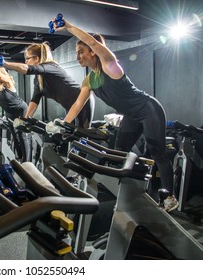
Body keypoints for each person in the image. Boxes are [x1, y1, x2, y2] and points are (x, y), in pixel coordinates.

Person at [54, 18, 178, 212]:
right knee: (119, 152)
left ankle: (170, 196)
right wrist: (63, 124)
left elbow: (94, 41)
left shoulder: (109, 65)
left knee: (157, 153)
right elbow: (78, 104)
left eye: (81, 52)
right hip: (131, 116)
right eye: (76, 53)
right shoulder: (90, 79)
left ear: (92, 52)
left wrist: (68, 27)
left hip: (148, 109)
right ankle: (127, 194)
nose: (78, 57)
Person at [0, 42, 95, 128]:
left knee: (81, 138)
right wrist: (25, 120)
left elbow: (27, 69)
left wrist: (5, 64)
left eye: (28, 58)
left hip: (83, 102)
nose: (26, 62)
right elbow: (34, 100)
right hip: (70, 107)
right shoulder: (38, 79)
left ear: (37, 59)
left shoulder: (51, 66)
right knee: (68, 137)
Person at [0, 61, 30, 162]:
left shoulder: (7, 81)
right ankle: (20, 158)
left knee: (21, 135)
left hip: (21, 109)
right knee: (14, 135)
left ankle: (27, 162)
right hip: (9, 112)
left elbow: (1, 77)